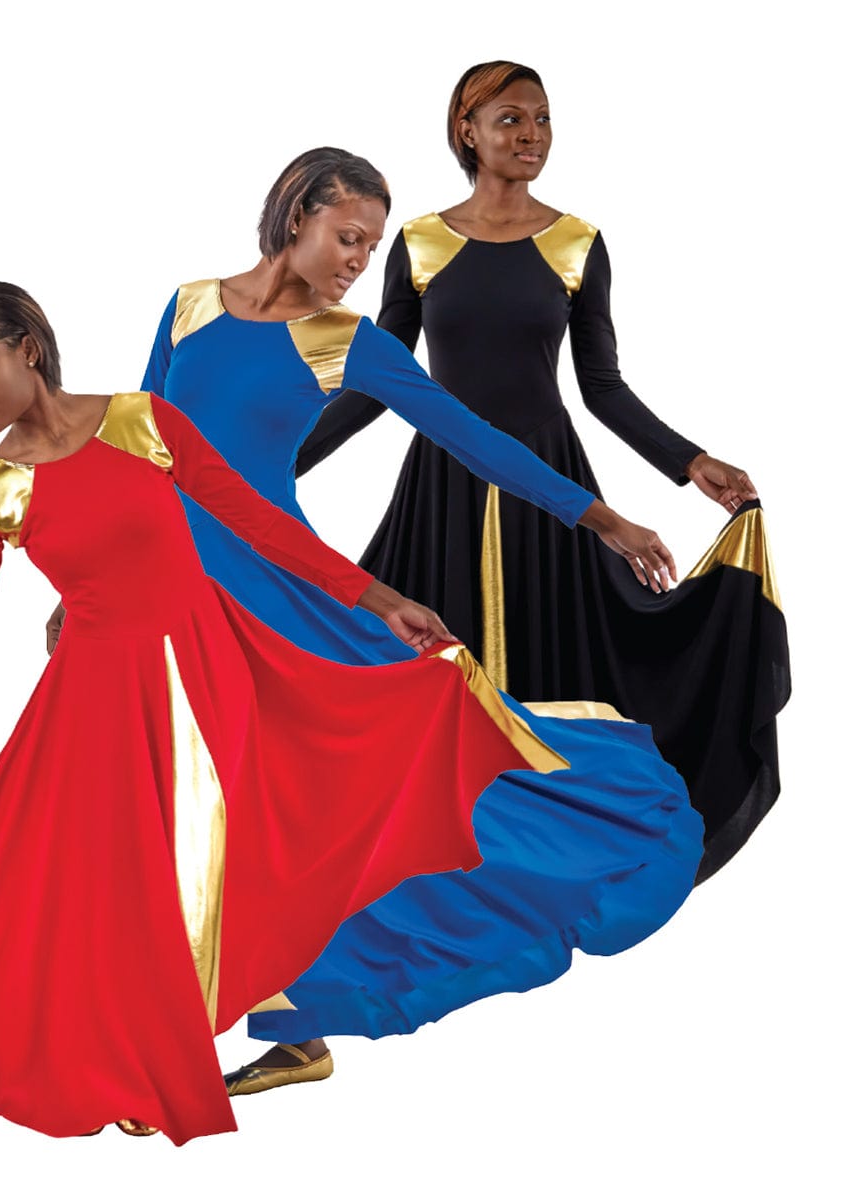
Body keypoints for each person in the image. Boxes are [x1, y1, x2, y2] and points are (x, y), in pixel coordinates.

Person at [0, 281, 609, 1145]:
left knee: (249, 842)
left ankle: (258, 1033)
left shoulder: (143, 422)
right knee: (111, 888)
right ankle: (139, 1063)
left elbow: (259, 523)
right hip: (98, 710)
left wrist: (381, 601)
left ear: (28, 351)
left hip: (218, 664)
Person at [108, 146, 703, 1095]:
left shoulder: (345, 341)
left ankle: (257, 1028)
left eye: (372, 244)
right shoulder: (187, 308)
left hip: (283, 609)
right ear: (295, 214)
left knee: (267, 811)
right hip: (171, 600)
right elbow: (141, 456)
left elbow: (477, 438)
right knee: (166, 808)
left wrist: (603, 520)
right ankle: (253, 1026)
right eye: (347, 237)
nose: (359, 260)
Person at [296, 63, 789, 885]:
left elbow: (602, 388)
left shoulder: (576, 244)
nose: (531, 136)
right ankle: (438, 855)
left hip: (551, 482)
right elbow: (379, 383)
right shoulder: (418, 243)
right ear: (467, 130)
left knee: (568, 663)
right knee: (399, 662)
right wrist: (274, 464)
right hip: (443, 485)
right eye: (511, 119)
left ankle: (541, 856)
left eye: (543, 120)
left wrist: (689, 460)